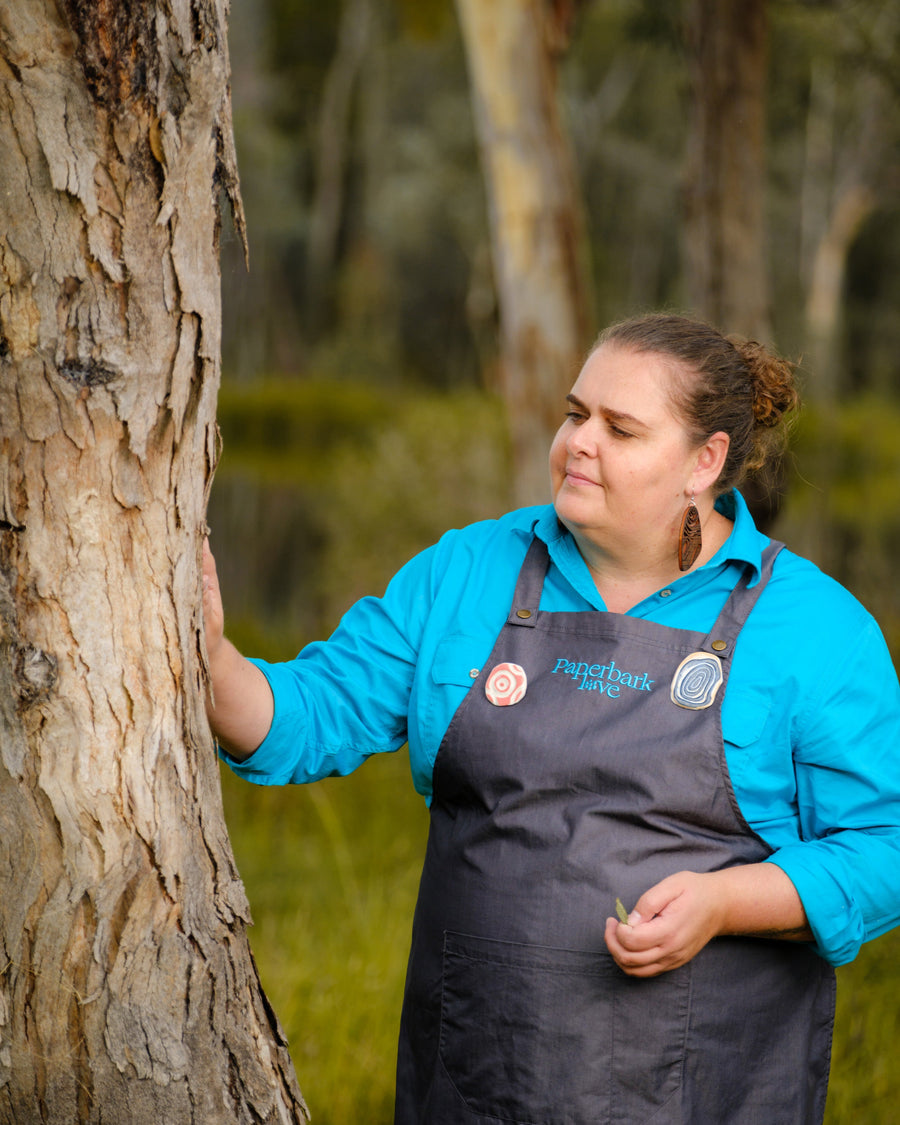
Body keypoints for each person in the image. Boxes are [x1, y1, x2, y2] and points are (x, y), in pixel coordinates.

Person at [203, 313, 900, 1125]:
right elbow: (303, 719)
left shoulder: (815, 628)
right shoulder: (468, 570)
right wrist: (211, 653)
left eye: (621, 428)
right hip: (473, 1078)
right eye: (576, 414)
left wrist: (726, 901)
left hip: (707, 1092)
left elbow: (881, 850)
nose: (579, 443)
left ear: (704, 461)